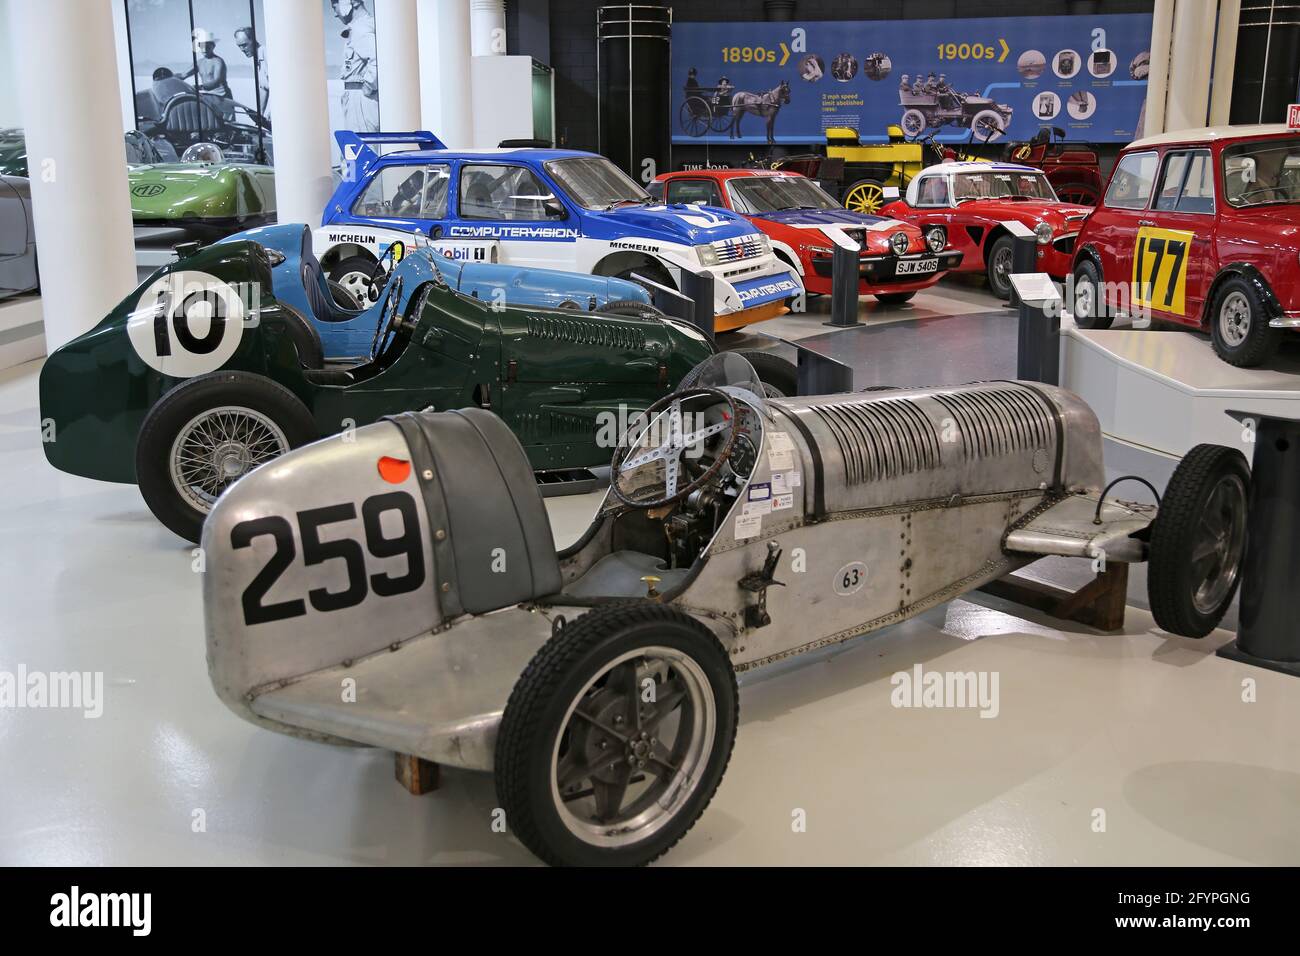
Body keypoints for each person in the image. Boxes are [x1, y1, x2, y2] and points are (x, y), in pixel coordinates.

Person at [332, 0, 379, 132]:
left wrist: (369, 85)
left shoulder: (361, 29)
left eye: (334, 6)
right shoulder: (363, 26)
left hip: (360, 100)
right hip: (359, 99)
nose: (335, 14)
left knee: (359, 149)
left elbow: (377, 59)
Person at [178, 28, 232, 99]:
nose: (204, 49)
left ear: (213, 46)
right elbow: (183, 75)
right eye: (202, 46)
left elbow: (216, 81)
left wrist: (200, 87)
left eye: (207, 46)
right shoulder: (199, 62)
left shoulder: (218, 61)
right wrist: (169, 77)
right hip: (206, 95)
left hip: (221, 96)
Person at [234, 26, 270, 123]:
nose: (242, 49)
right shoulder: (256, 59)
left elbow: (280, 88)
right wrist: (260, 114)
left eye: (244, 45)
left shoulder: (268, 54)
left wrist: (272, 110)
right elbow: (264, 88)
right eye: (239, 46)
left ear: (253, 40)